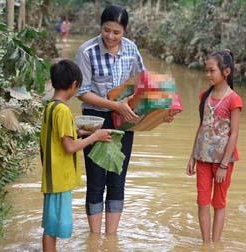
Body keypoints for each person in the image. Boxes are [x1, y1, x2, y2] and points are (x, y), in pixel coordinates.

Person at [75, 4, 176, 235]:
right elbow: (83, 91)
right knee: (96, 180)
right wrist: (114, 106)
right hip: (94, 120)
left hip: (124, 120)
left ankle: (110, 239)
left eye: (116, 32)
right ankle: (94, 238)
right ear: (101, 27)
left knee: (117, 179)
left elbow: (143, 85)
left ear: (125, 31)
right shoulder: (86, 51)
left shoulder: (131, 49)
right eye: (106, 30)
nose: (110, 36)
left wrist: (161, 113)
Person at [40, 59, 111, 251]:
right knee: (53, 227)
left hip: (51, 176)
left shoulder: (50, 107)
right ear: (74, 85)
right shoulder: (63, 110)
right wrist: (95, 136)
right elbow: (70, 146)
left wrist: (86, 134)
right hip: (59, 177)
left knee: (49, 226)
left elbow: (62, 136)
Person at [187, 50, 243, 243]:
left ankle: (216, 243)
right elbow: (201, 127)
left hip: (222, 162)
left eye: (212, 70)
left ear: (226, 72)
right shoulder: (205, 96)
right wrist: (192, 156)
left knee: (218, 203)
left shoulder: (234, 99)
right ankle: (206, 244)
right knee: (202, 202)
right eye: (206, 71)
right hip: (202, 158)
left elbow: (234, 134)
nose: (208, 74)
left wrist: (224, 165)